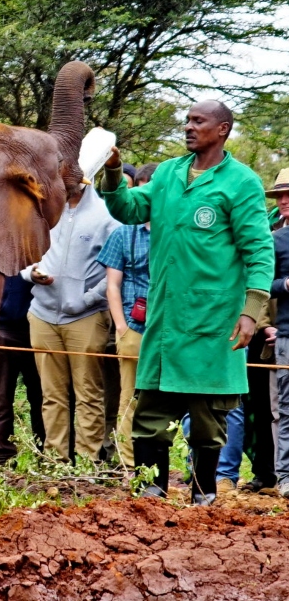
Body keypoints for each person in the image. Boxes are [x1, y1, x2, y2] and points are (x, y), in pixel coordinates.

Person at [102, 100, 274, 504]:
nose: (189, 127)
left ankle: (204, 494)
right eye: (188, 120)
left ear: (223, 129)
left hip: (215, 320)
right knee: (150, 414)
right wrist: (112, 170)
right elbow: (127, 208)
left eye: (199, 121)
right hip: (164, 320)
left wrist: (251, 311)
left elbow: (259, 251)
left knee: (208, 417)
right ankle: (151, 491)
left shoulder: (241, 182)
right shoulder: (167, 174)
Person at [22, 182, 118, 462]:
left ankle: (88, 461)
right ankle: (56, 460)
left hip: (86, 316)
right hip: (42, 313)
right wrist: (32, 272)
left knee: (88, 394)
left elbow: (115, 270)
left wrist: (87, 299)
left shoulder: (106, 214)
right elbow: (24, 250)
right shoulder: (43, 210)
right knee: (51, 394)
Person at [98, 163, 157, 468]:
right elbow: (112, 285)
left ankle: (157, 467)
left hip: (168, 331)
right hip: (133, 327)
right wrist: (121, 327)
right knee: (129, 400)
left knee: (164, 402)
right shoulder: (123, 234)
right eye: (142, 189)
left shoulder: (178, 232)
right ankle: (128, 467)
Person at [0, 274, 45, 465]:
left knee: (42, 397)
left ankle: (44, 453)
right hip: (1, 328)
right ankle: (4, 456)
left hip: (40, 326)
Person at [264, 169, 289, 496]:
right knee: (286, 410)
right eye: (279, 196)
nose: (283, 201)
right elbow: (259, 284)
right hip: (286, 336)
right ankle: (285, 478)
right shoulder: (274, 240)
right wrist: (284, 284)